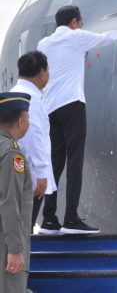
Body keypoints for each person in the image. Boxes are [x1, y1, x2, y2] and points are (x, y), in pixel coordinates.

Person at [37, 5, 117, 235]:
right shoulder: (77, 36)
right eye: (81, 22)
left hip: (49, 108)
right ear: (74, 22)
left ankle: (48, 219)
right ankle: (71, 219)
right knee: (75, 161)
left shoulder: (43, 44)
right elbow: (106, 38)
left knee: (54, 162)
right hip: (71, 103)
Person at [11, 51, 57, 232]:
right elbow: (34, 135)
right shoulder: (32, 98)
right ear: (41, 72)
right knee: (23, 229)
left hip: (13, 167)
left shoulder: (13, 93)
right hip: (29, 171)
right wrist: (41, 172)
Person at [0, 92, 33, 293]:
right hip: (5, 243)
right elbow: (9, 201)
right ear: (21, 121)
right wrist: (14, 249)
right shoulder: (11, 153)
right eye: (28, 118)